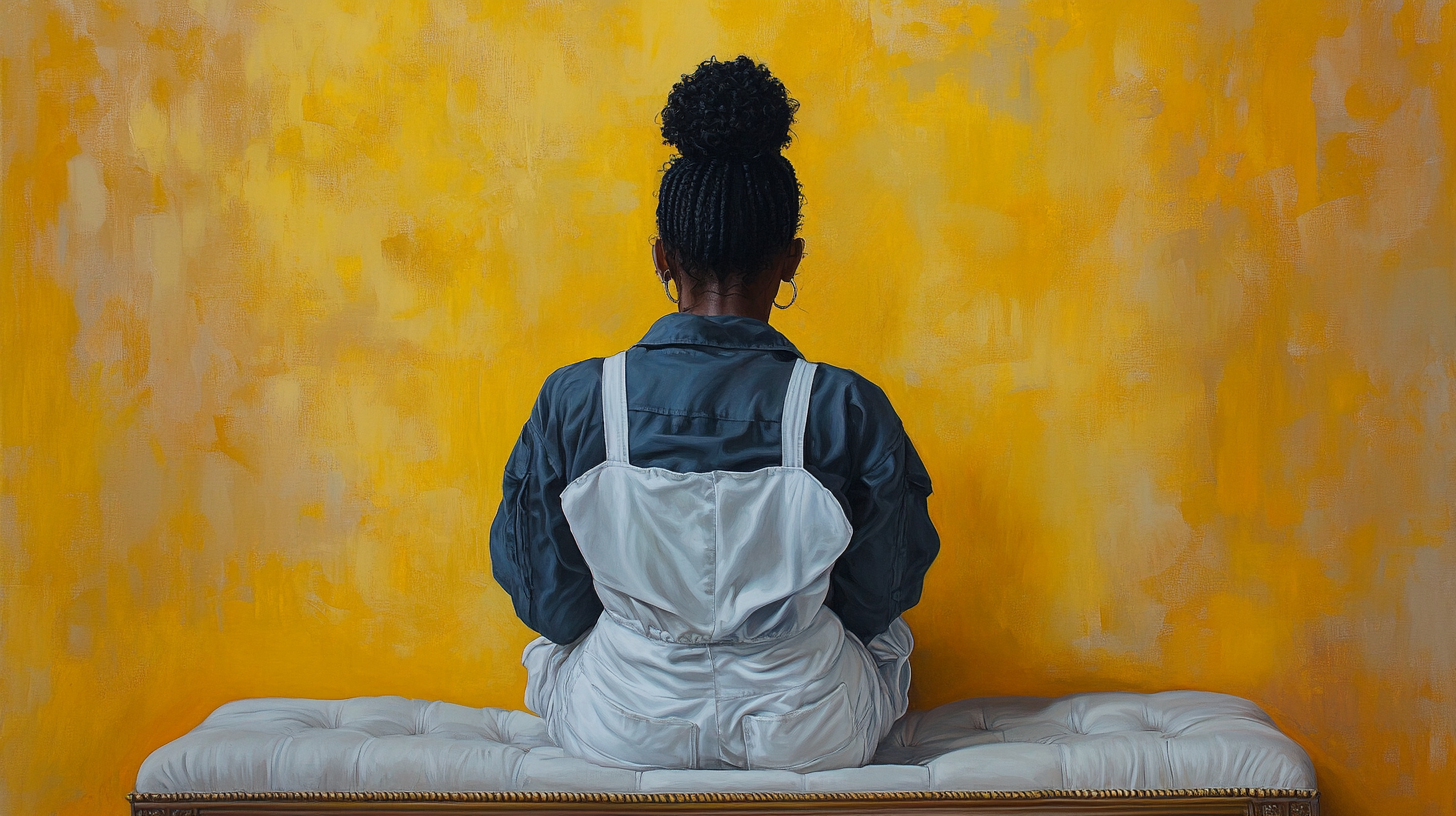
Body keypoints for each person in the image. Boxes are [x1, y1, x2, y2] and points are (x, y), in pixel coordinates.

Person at [489, 55, 940, 772]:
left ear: (663, 258)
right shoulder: (847, 406)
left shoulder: (576, 401)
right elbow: (879, 595)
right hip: (806, 732)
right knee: (888, 642)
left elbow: (550, 603)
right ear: (791, 260)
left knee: (555, 647)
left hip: (622, 725)